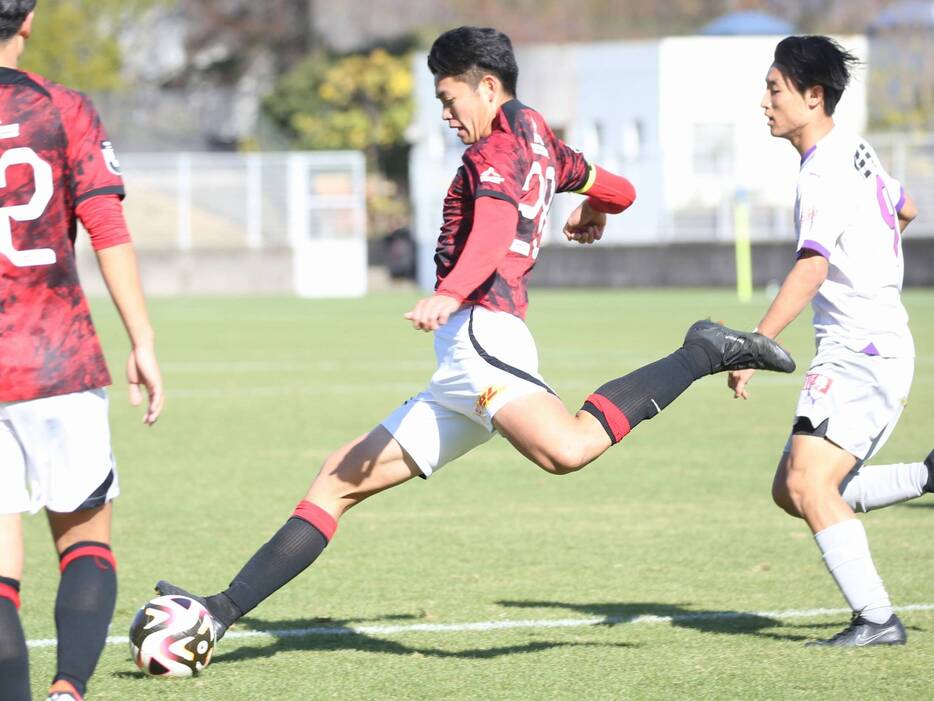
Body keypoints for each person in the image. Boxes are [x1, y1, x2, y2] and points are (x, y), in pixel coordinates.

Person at [157, 26, 793, 645]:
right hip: (463, 360)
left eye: (448, 98)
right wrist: (594, 204)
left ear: (487, 87)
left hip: (482, 337)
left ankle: (703, 349)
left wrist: (448, 292)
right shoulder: (541, 138)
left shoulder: (493, 152)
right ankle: (218, 614)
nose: (445, 114)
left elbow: (491, 231)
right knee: (337, 479)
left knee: (566, 450)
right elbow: (621, 189)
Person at [729, 35, 928, 647]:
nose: (764, 101)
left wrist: (755, 344)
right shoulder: (856, 150)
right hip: (873, 342)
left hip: (860, 348)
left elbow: (812, 267)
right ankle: (927, 477)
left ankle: (876, 619)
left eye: (774, 89)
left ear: (813, 97)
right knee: (791, 490)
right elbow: (908, 206)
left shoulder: (822, 170)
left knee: (809, 487)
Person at [0, 2, 165, 699]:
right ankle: (69, 689)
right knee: (86, 543)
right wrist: (143, 340)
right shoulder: (63, 107)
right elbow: (105, 225)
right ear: (28, 20)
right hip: (59, 358)